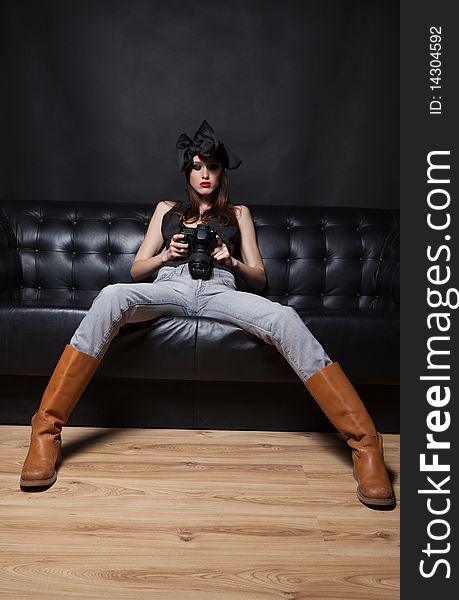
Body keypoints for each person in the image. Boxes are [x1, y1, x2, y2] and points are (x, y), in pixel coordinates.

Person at [20, 120, 395, 508]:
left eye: (212, 167)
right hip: (170, 285)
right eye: (197, 167)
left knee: (284, 318)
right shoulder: (166, 210)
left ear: (222, 173)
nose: (205, 175)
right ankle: (45, 431)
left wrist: (229, 259)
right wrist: (169, 254)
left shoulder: (239, 213)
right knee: (113, 295)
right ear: (188, 172)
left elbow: (260, 278)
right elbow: (135, 270)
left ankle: (366, 443)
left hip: (220, 289)